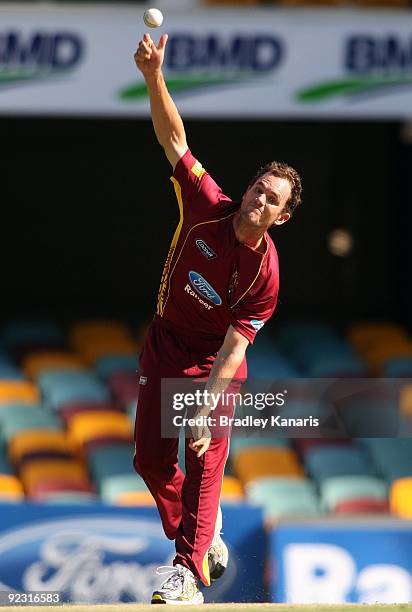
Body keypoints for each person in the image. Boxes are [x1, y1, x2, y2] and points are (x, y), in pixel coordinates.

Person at [133, 31, 302, 606]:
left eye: (271, 200)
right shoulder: (207, 205)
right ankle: (208, 532)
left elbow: (234, 351)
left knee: (203, 457)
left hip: (213, 365)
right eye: (258, 188)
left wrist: (203, 409)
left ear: (280, 218)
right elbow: (174, 139)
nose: (259, 200)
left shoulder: (266, 275)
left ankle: (185, 572)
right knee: (149, 462)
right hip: (165, 343)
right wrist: (154, 76)